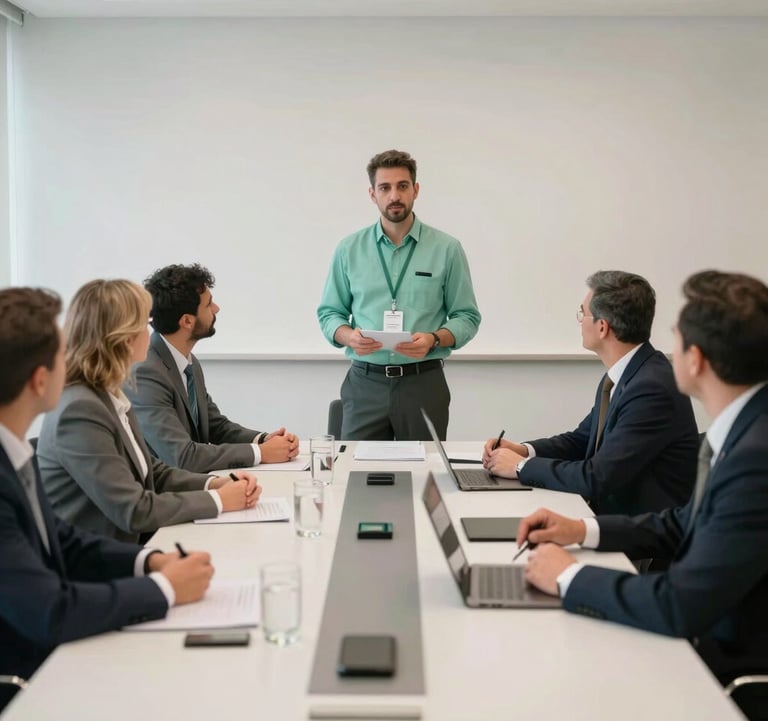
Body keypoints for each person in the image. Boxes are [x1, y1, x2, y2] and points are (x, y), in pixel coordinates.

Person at [516, 270, 768, 714]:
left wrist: (569, 576)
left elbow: (680, 605)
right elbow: (682, 522)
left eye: (677, 338)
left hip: (722, 665)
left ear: (697, 360)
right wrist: (580, 530)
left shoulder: (754, 457)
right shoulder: (745, 430)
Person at [0, 287, 214, 712]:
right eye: (61, 354)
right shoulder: (69, 414)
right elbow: (50, 610)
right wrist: (164, 588)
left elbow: (63, 541)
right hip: (33, 679)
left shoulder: (13, 451)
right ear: (40, 380)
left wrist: (151, 563)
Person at [38, 280, 261, 543]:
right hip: (103, 557)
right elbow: (134, 510)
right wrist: (218, 500)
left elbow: (150, 471)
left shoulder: (108, 393)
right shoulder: (79, 410)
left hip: (132, 544)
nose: (151, 331)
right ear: (124, 338)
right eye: (145, 323)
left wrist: (213, 484)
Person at [484, 270, 698, 516]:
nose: (579, 321)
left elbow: (597, 477)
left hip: (640, 530)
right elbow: (581, 441)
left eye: (582, 313)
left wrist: (521, 467)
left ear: (602, 327)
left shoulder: (651, 388)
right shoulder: (625, 375)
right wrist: (523, 450)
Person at [317, 149, 481, 441]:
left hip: (423, 383)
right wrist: (349, 336)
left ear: (415, 190)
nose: (394, 195)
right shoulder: (348, 249)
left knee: (425, 467)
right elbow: (330, 313)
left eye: (402, 186)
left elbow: (466, 316)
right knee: (356, 466)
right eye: (385, 187)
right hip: (365, 383)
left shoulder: (447, 249)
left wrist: (434, 339)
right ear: (372, 194)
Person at [124, 264, 298, 473]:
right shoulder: (145, 372)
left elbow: (215, 426)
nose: (216, 308)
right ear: (187, 321)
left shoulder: (188, 363)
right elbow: (183, 457)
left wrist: (263, 440)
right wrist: (261, 453)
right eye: (208, 304)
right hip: (163, 488)